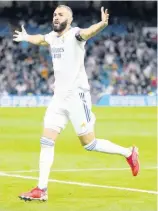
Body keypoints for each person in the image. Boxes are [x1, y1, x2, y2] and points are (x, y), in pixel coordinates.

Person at [13, 5, 139, 201]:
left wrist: (102, 24)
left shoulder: (75, 35)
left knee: (89, 144)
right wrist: (27, 37)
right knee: (46, 141)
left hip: (77, 98)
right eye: (54, 14)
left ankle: (129, 153)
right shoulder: (53, 37)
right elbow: (41, 39)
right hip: (59, 98)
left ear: (69, 20)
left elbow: (88, 33)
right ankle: (41, 189)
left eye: (60, 14)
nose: (56, 17)